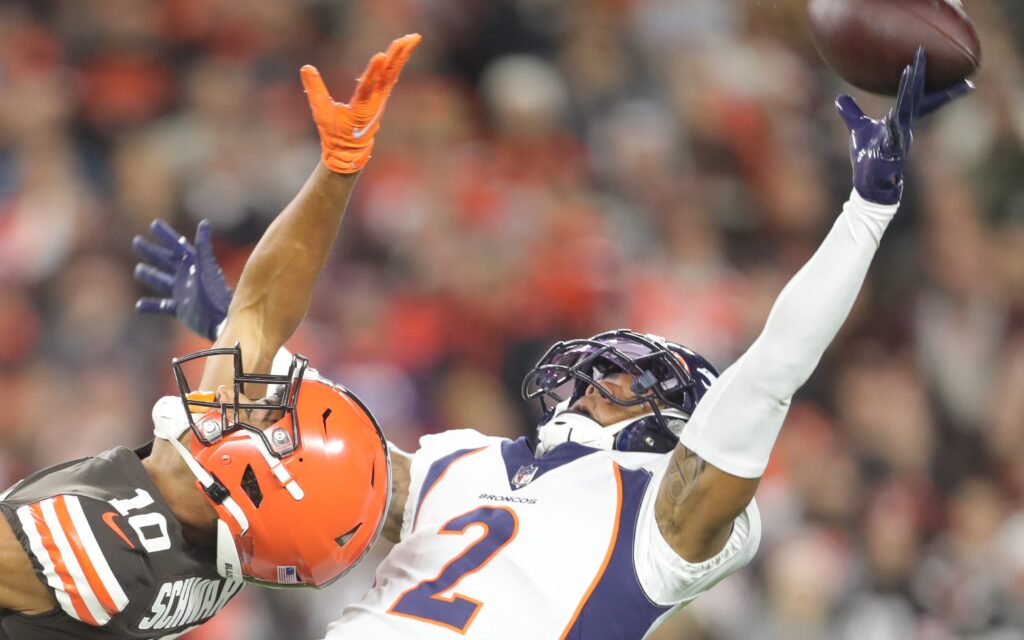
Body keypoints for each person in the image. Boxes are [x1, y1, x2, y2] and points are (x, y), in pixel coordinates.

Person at [135, 51, 972, 639]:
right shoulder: (466, 461)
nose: (599, 377)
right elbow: (325, 457)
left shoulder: (665, 517)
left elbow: (769, 373)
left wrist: (865, 211)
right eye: (602, 367)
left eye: (630, 379)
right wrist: (237, 337)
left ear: (679, 424)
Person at [0, 33, 420, 639]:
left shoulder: (103, 553)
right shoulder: (230, 534)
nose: (253, 390)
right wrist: (339, 166)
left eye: (269, 413)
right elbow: (260, 310)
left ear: (246, 473)